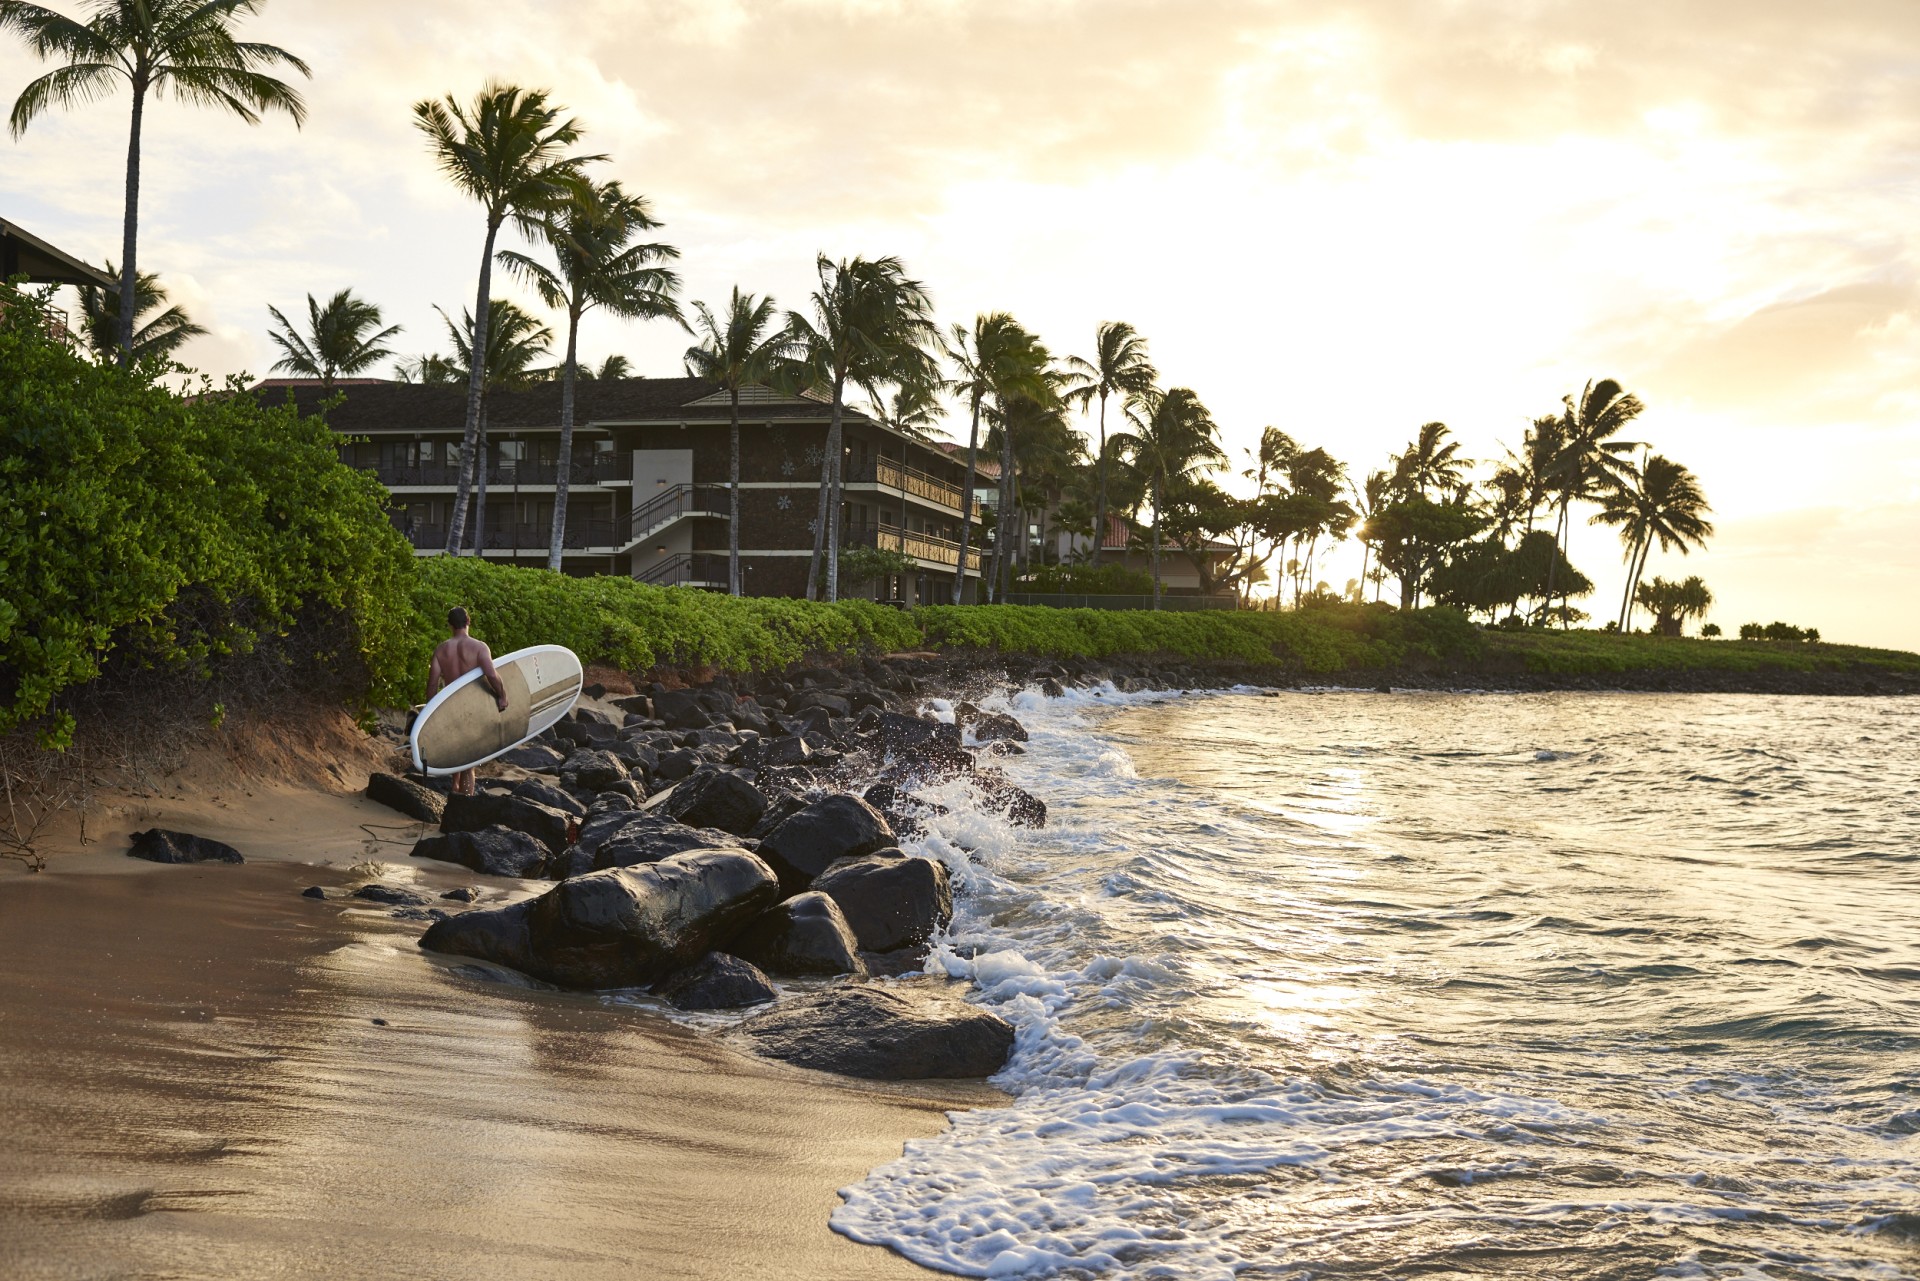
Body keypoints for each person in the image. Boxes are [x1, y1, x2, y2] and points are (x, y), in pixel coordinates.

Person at [426, 606, 509, 796]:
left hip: (450, 709)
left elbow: (432, 685)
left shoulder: (441, 650)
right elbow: (491, 675)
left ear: (449, 625)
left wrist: (430, 713)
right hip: (472, 710)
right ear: (468, 621)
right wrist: (503, 696)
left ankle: (454, 789)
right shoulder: (479, 647)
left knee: (456, 753)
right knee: (469, 764)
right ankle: (465, 801)